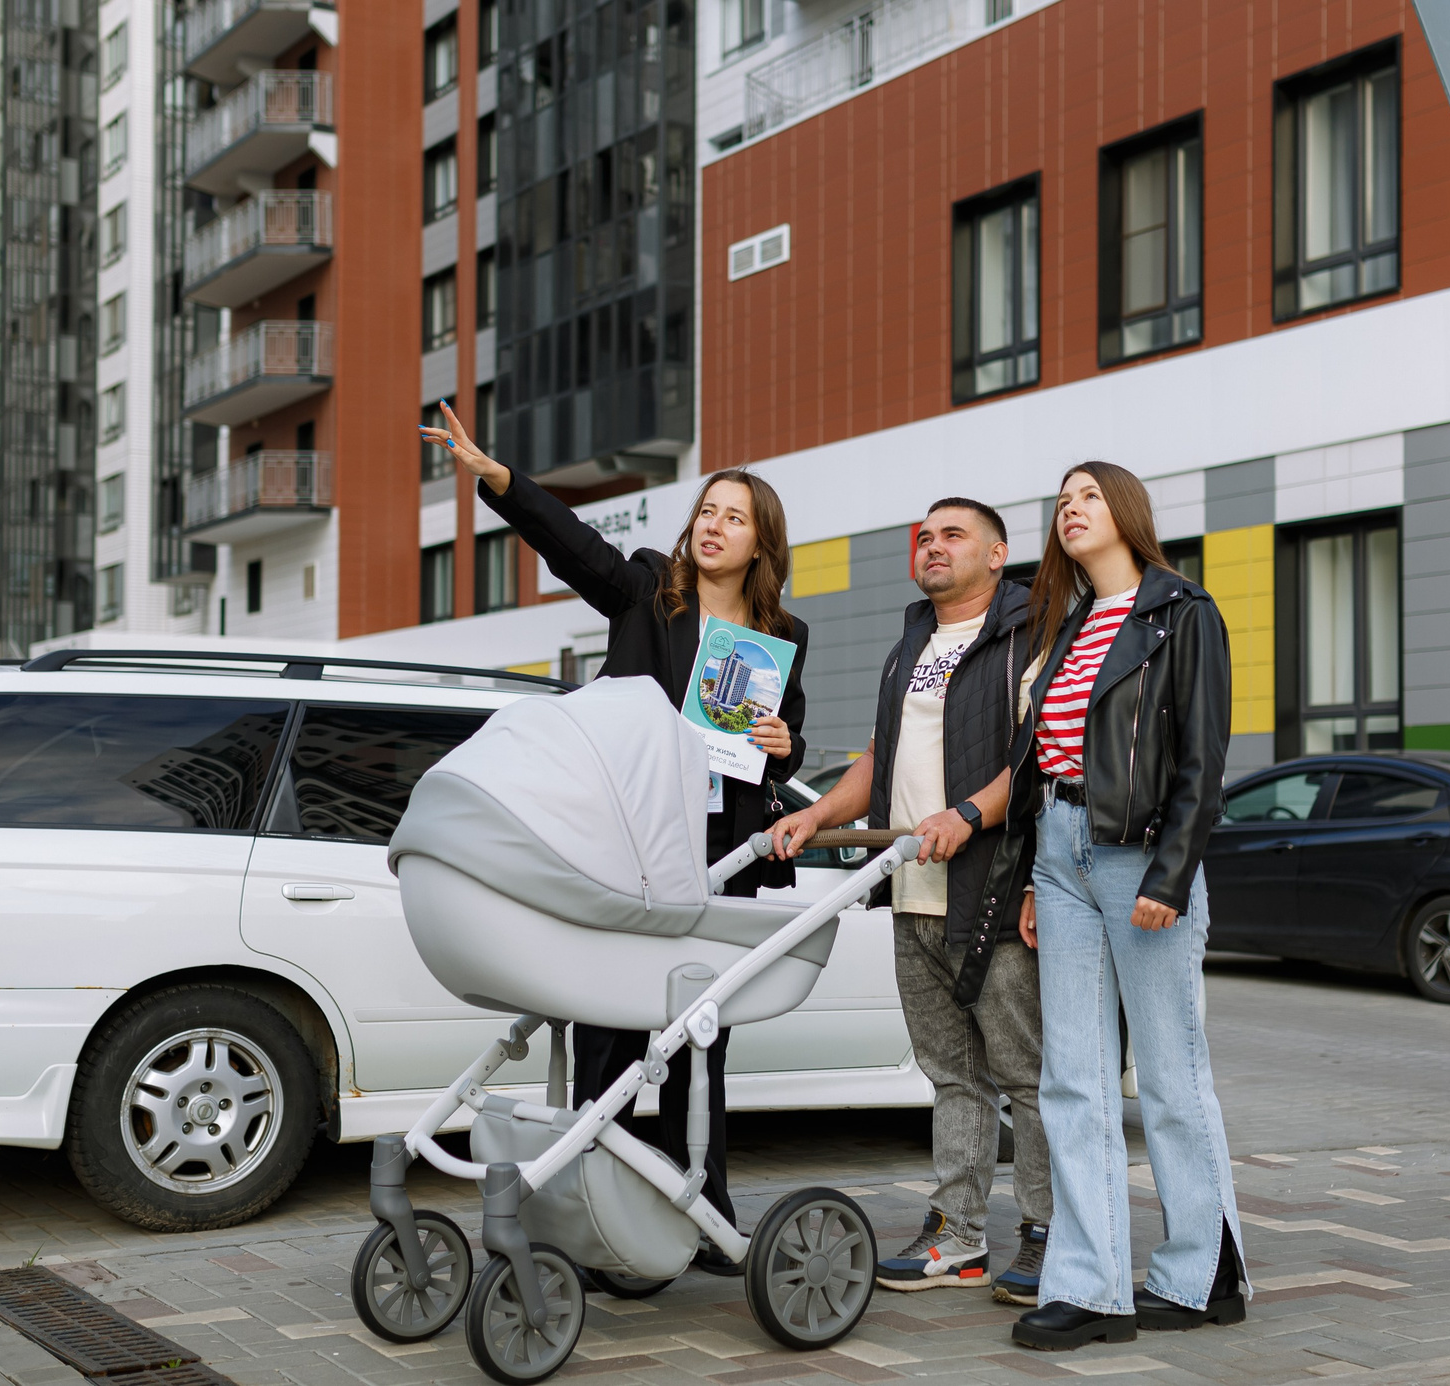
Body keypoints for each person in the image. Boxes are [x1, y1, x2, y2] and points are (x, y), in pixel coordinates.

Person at [419, 403, 806, 1277]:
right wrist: (498, 479)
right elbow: (571, 543)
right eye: (707, 511)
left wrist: (789, 743)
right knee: (609, 1033)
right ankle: (595, 1215)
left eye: (733, 518)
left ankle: (703, 1204)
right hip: (628, 849)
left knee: (705, 1033)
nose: (713, 526)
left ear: (760, 544)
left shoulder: (783, 636)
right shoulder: (644, 590)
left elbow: (786, 735)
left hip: (721, 857)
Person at [770, 498, 1052, 1306]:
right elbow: (878, 755)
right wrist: (820, 810)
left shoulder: (1026, 637)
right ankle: (958, 1237)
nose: (933, 546)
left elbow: (1037, 759)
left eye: (952, 535)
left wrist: (969, 815)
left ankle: (1045, 1231)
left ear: (998, 554)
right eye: (923, 537)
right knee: (951, 1074)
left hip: (993, 888)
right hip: (913, 892)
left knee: (1024, 1074)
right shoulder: (909, 646)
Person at [1003, 461, 1247, 1352]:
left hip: (1142, 858)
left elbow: (1201, 761)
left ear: (1127, 514)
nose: (1070, 509)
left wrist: (1171, 876)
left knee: (1173, 1075)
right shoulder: (1066, 628)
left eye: (1087, 497)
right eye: (1060, 499)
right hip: (1064, 854)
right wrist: (1036, 874)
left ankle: (1202, 1268)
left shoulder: (1183, 613)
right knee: (1071, 1076)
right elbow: (1052, 764)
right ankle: (1091, 1284)